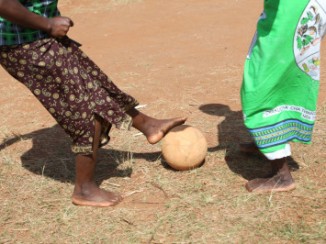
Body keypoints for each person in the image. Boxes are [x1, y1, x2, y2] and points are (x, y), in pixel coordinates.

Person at [0, 0, 186, 207]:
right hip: (22, 44)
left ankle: (147, 125)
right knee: (86, 108)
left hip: (42, 36)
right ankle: (84, 189)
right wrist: (48, 24)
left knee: (95, 80)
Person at [240, 0, 326, 193]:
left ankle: (282, 176)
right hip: (300, 8)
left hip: (291, 10)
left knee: (260, 85)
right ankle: (267, 140)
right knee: (284, 76)